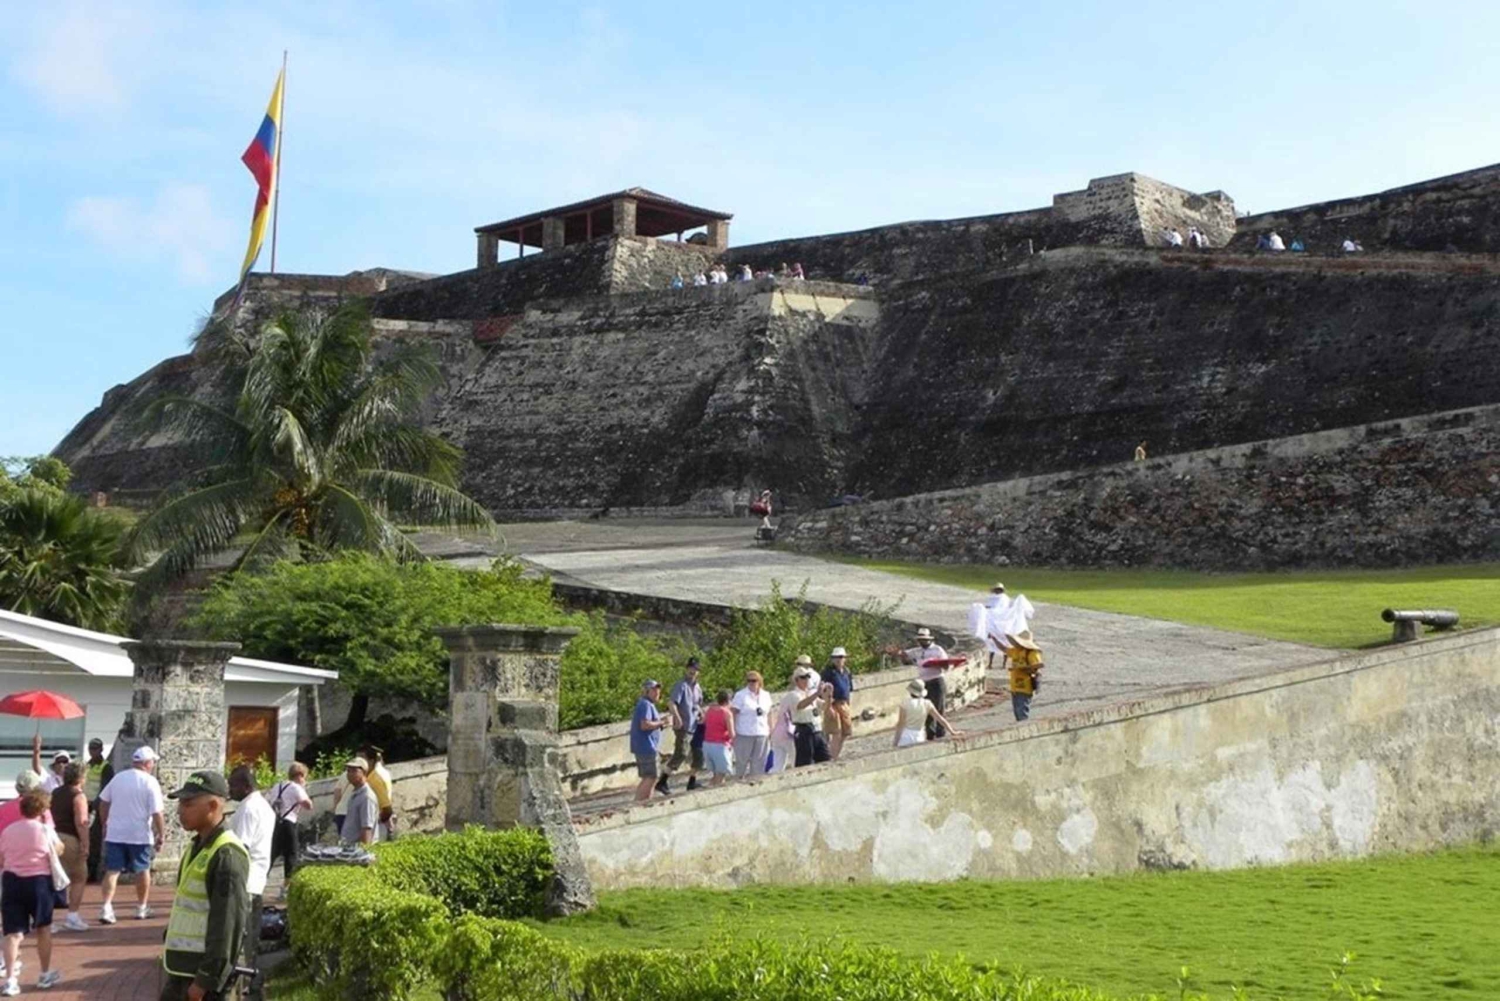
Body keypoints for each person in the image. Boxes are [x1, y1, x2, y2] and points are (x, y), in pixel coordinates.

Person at [160, 770, 249, 1001]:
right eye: (180, 803)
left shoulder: (226, 854)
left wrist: (205, 980)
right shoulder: (197, 846)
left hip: (204, 981)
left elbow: (227, 925)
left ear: (212, 805)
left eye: (188, 803)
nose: (180, 810)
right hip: (183, 970)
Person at [0, 789, 64, 993]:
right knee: (43, 928)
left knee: (12, 932)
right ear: (43, 810)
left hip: (12, 881)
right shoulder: (45, 830)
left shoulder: (9, 831)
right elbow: (59, 849)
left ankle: (10, 979)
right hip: (39, 882)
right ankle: (44, 974)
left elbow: (2, 858)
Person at [98, 745, 165, 925]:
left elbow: (103, 802)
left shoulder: (118, 778)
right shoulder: (150, 782)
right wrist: (161, 834)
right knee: (142, 870)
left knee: (112, 870)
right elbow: (157, 812)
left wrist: (105, 823)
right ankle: (141, 907)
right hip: (139, 834)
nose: (153, 765)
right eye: (152, 762)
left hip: (116, 832)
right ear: (147, 763)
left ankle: (106, 907)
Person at [228, 766, 275, 1001]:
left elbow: (241, 849)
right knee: (250, 940)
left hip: (245, 883)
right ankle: (250, 985)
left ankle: (241, 989)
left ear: (246, 786)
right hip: (256, 881)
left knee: (239, 940)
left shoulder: (247, 809)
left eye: (233, 785)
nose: (229, 790)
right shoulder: (263, 805)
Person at [49, 764, 90, 932]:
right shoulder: (78, 796)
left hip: (54, 836)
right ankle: (72, 916)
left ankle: (46, 917)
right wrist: (86, 844)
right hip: (70, 838)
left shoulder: (55, 793)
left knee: (53, 877)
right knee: (79, 877)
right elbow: (81, 822)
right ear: (81, 778)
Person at [266, 763, 312, 899]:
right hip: (289, 823)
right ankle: (286, 888)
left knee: (272, 854)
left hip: (276, 822)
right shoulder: (296, 788)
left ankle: (260, 881)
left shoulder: (277, 786)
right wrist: (302, 796)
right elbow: (309, 805)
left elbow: (268, 801)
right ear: (300, 776)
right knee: (291, 855)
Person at [903, 628, 951, 740]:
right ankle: (930, 733)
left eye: (924, 640)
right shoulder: (916, 651)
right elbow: (905, 657)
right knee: (926, 708)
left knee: (938, 707)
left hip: (936, 680)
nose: (922, 642)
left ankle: (940, 732)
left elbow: (946, 665)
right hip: (924, 681)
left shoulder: (937, 650)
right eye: (920, 640)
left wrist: (935, 664)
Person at [666, 659, 704, 793]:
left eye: (695, 669)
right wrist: (677, 716)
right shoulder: (681, 685)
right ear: (686, 669)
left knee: (699, 756)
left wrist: (701, 713)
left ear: (698, 672)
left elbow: (698, 704)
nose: (692, 671)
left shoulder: (698, 687)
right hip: (684, 725)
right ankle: (663, 780)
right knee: (681, 753)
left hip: (695, 725)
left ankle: (692, 782)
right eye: (690, 668)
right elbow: (672, 703)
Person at [630, 680, 673, 802]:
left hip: (646, 746)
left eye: (658, 690)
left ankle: (645, 802)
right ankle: (639, 803)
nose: (657, 692)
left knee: (651, 776)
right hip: (646, 746)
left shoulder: (647, 704)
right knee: (650, 777)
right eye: (654, 690)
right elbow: (644, 725)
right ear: (646, 691)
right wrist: (662, 722)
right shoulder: (645, 704)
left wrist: (660, 723)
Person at [787, 658, 832, 768]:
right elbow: (801, 705)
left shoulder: (811, 693)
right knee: (805, 762)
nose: (806, 680)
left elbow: (824, 707)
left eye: (807, 677)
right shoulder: (794, 694)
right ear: (797, 680)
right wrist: (817, 694)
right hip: (804, 730)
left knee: (825, 758)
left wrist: (828, 696)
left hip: (817, 729)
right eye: (803, 678)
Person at [891, 679, 962, 748]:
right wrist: (952, 731)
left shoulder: (905, 704)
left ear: (910, 692)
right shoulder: (927, 703)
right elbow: (940, 719)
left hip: (906, 735)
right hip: (919, 736)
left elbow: (900, 724)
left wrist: (895, 742)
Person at [729, 672, 773, 779]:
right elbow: (733, 713)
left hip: (762, 732)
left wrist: (771, 729)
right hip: (744, 733)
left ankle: (755, 782)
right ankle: (737, 783)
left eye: (753, 680)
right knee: (741, 762)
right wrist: (733, 730)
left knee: (759, 762)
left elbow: (769, 713)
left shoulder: (766, 695)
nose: (751, 683)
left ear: (759, 681)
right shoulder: (741, 695)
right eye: (749, 681)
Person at [83, 738, 112, 883]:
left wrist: (95, 805)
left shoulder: (106, 767)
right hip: (84, 805)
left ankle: (92, 872)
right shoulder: (87, 765)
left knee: (94, 840)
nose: (92, 751)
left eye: (95, 749)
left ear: (101, 750)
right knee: (84, 838)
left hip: (96, 807)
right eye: (91, 748)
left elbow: (105, 789)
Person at [821, 647, 855, 760]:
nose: (839, 660)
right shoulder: (828, 673)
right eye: (836, 658)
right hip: (833, 703)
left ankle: (835, 755)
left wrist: (848, 705)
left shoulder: (847, 671)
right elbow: (824, 691)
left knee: (846, 731)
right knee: (836, 732)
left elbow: (849, 689)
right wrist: (828, 706)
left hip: (844, 703)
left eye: (841, 657)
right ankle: (832, 757)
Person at [1006, 632, 1045, 721]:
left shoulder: (1031, 653)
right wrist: (994, 639)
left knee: (1022, 713)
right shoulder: (1016, 651)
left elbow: (1039, 665)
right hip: (1015, 687)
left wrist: (1022, 668)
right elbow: (1004, 649)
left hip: (1024, 687)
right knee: (1017, 713)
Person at [339, 758, 379, 845]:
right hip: (349, 848)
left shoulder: (366, 797)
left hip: (357, 852)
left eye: (354, 771)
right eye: (348, 771)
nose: (350, 774)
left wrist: (363, 852)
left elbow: (367, 827)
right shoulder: (355, 793)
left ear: (364, 773)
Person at [700, 690, 736, 787]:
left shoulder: (710, 710)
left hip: (707, 744)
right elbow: (732, 733)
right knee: (721, 775)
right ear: (729, 701)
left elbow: (703, 722)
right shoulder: (727, 713)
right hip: (720, 746)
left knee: (716, 774)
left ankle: (709, 791)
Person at [360, 745, 396, 841]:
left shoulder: (376, 780)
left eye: (362, 759)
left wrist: (376, 821)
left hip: (376, 827)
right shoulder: (366, 778)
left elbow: (387, 809)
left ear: (371, 761)